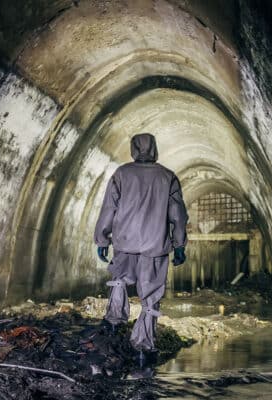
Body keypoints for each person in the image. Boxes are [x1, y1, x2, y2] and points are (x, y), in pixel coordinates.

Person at [93, 133, 188, 366]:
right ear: (154, 149)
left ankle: (114, 322)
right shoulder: (168, 177)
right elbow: (178, 216)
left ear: (133, 149)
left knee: (120, 280)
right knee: (151, 296)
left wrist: (102, 239)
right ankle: (144, 347)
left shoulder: (121, 174)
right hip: (155, 244)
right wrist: (179, 245)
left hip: (125, 241)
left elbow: (109, 209)